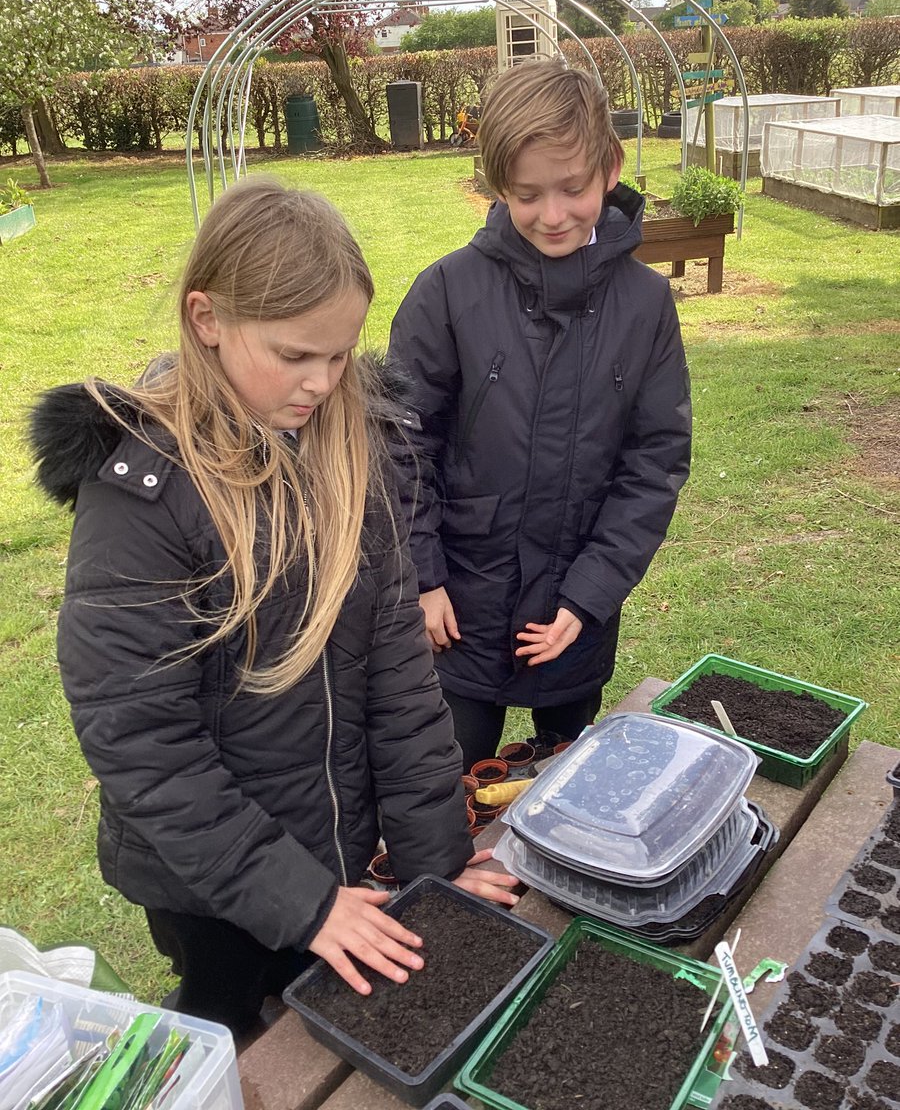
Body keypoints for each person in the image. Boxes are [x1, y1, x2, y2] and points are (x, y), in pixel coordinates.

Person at [28, 178, 517, 1040]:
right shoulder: (143, 495)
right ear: (207, 318)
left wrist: (437, 866)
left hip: (338, 859)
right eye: (295, 356)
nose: (323, 384)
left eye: (340, 356)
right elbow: (142, 745)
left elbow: (400, 680)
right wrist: (302, 903)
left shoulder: (346, 458)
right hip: (210, 886)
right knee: (240, 1038)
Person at [387, 59, 692, 772]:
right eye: (527, 195)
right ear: (497, 186)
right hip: (459, 610)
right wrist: (424, 579)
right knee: (450, 789)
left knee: (569, 778)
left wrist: (587, 599)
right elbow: (398, 445)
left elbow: (654, 465)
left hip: (573, 608)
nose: (552, 215)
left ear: (609, 168)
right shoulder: (446, 292)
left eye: (572, 189)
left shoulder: (646, 306)